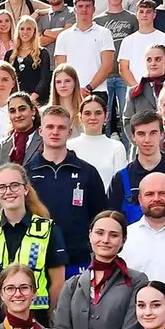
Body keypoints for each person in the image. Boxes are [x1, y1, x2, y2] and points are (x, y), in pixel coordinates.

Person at [25, 104, 109, 273]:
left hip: (77, 259)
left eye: (61, 128)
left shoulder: (87, 173)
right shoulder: (26, 173)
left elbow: (100, 216)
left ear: (69, 133)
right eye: (50, 127)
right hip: (36, 258)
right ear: (40, 131)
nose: (55, 132)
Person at [0, 161, 67, 323]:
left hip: (36, 316)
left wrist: (52, 318)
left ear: (25, 189)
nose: (8, 191)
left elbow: (57, 282)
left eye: (14, 185)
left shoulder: (47, 229)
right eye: (2, 187)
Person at [110, 111, 165, 223]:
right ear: (133, 137)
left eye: (153, 133)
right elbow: (112, 223)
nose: (147, 140)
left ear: (162, 134)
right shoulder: (120, 178)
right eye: (141, 134)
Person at [118, 172, 165, 286]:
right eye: (149, 194)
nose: (156, 199)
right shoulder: (124, 237)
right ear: (140, 199)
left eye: (162, 193)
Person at [52, 0, 116, 102]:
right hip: (70, 92)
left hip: (98, 91)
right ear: (75, 9)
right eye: (80, 6)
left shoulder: (104, 33)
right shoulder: (63, 36)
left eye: (88, 6)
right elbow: (61, 68)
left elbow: (107, 66)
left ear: (94, 9)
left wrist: (88, 88)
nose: (84, 9)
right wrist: (75, 89)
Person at [92, 0, 138, 130]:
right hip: (104, 76)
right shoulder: (97, 21)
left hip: (125, 74)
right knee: (104, 116)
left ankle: (127, 144)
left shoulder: (132, 18)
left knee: (127, 115)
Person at [70, 95, 128, 190]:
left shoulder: (117, 147)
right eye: (87, 113)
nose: (93, 117)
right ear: (80, 117)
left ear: (106, 116)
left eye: (98, 113)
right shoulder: (69, 146)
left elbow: (121, 184)